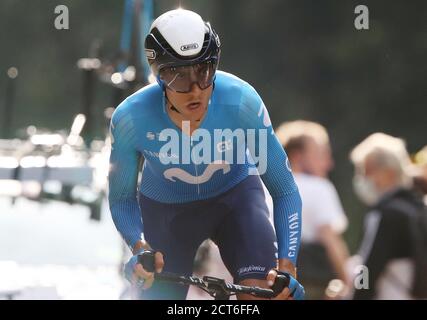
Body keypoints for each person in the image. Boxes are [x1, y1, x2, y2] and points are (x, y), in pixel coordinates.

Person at [108, 9, 304, 300]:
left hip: (236, 201)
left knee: (264, 294)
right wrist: (139, 247)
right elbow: (122, 197)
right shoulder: (130, 118)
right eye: (179, 77)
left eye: (205, 70)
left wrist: (288, 266)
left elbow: (284, 189)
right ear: (158, 74)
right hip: (167, 213)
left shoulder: (242, 101)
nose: (196, 90)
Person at [276, 120, 351, 299]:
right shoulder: (319, 187)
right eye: (321, 154)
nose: (329, 163)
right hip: (305, 286)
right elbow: (331, 239)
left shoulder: (265, 186)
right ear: (296, 156)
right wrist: (350, 285)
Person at [349, 133, 427, 299]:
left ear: (389, 173)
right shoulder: (419, 208)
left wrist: (357, 295)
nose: (363, 179)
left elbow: (367, 266)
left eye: (366, 171)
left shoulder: (383, 213)